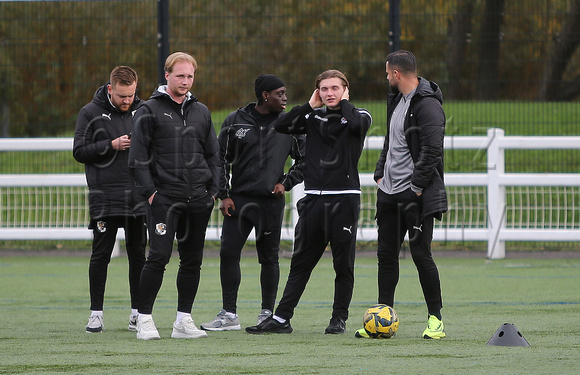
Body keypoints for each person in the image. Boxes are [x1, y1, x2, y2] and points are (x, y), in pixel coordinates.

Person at [246, 69, 372, 335]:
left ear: (345, 89)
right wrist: (309, 105)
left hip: (344, 202)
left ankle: (338, 319)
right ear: (318, 91)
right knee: (300, 263)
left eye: (335, 88)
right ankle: (281, 319)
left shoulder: (358, 115)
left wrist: (345, 102)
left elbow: (359, 126)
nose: (329, 94)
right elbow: (281, 125)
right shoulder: (312, 116)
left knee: (343, 265)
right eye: (324, 89)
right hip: (313, 201)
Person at [200, 74, 305, 331]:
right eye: (280, 93)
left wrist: (286, 183)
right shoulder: (235, 121)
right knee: (228, 253)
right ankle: (229, 315)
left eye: (285, 93)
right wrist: (224, 194)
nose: (285, 98)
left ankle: (266, 313)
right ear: (264, 95)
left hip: (270, 203)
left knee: (269, 257)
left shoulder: (288, 123)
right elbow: (219, 159)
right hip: (238, 201)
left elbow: (304, 160)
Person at [128, 52, 220, 340]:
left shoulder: (201, 111)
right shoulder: (148, 110)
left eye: (190, 76)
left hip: (198, 200)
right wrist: (152, 194)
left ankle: (183, 320)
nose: (185, 81)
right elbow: (137, 158)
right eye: (180, 75)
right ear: (166, 75)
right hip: (164, 200)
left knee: (192, 261)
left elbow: (214, 155)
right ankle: (143, 319)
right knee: (158, 257)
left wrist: (213, 192)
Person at [357, 50, 448, 339]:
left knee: (421, 255)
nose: (386, 78)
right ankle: (383, 319)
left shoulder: (428, 105)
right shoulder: (396, 100)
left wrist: (417, 188)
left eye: (387, 73)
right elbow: (391, 139)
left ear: (396, 74)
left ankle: (436, 319)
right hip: (388, 193)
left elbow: (433, 150)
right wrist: (380, 171)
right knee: (386, 257)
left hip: (415, 196)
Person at [73, 66, 147, 333]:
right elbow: (79, 151)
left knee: (138, 256)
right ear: (110, 89)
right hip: (105, 197)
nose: (126, 101)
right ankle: (96, 314)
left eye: (131, 95)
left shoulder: (144, 110)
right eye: (121, 96)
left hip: (138, 196)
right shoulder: (90, 113)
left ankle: (138, 313)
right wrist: (111, 145)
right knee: (101, 255)